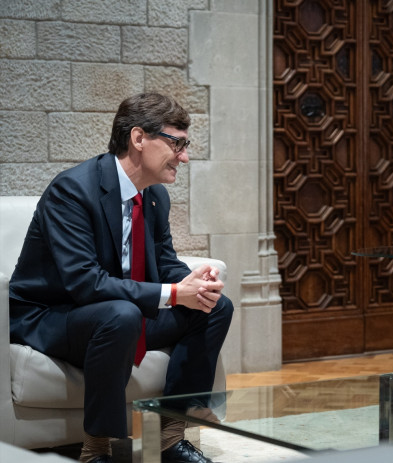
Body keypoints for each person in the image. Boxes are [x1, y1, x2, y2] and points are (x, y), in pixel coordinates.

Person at [9, 93, 234, 463]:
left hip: (114, 315)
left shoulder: (155, 196)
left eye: (186, 145)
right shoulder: (72, 191)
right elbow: (85, 283)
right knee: (122, 315)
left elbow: (164, 260)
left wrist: (194, 283)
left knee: (215, 307)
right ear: (139, 138)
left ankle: (169, 437)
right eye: (176, 143)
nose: (185, 156)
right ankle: (96, 449)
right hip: (52, 316)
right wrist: (176, 293)